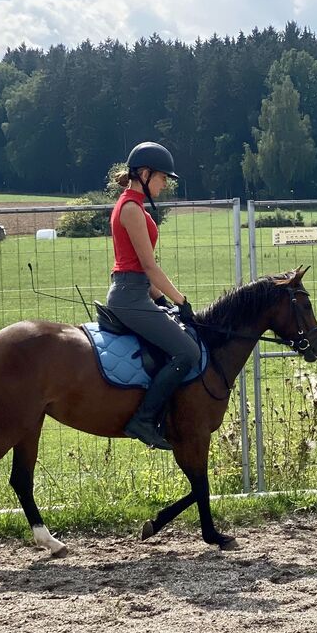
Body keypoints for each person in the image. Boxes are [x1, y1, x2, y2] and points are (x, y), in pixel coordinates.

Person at [106, 141, 201, 450]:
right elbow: (148, 266)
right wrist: (180, 301)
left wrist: (160, 299)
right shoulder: (131, 209)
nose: (164, 185)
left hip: (137, 293)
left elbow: (139, 268)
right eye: (162, 178)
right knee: (188, 353)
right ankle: (144, 420)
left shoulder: (132, 205)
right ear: (144, 174)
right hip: (130, 298)